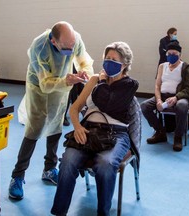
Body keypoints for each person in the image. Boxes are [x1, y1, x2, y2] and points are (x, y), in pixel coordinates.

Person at [8, 21, 94, 200]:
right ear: (54, 41)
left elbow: (84, 59)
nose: (70, 51)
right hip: (39, 86)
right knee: (35, 128)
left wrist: (84, 72)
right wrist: (67, 81)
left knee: (56, 123)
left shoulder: (73, 39)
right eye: (66, 47)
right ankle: (17, 176)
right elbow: (45, 84)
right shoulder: (39, 47)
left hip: (62, 83)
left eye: (72, 46)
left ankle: (49, 168)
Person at [51, 41, 139, 216]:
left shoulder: (129, 85)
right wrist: (77, 127)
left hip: (117, 134)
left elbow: (109, 104)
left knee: (105, 164)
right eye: (107, 58)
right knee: (68, 161)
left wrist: (104, 81)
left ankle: (103, 213)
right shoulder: (93, 80)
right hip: (89, 131)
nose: (108, 62)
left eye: (114, 60)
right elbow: (74, 108)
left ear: (125, 65)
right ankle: (59, 212)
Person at [141, 42, 189, 152]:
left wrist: (176, 98)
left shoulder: (185, 67)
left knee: (182, 106)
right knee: (145, 106)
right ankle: (160, 132)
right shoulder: (162, 66)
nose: (171, 56)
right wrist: (159, 100)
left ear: (180, 55)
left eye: (174, 53)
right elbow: (157, 85)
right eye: (169, 53)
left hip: (179, 96)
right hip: (163, 96)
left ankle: (178, 137)